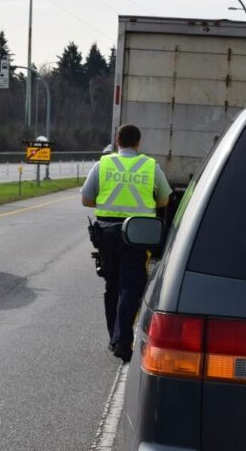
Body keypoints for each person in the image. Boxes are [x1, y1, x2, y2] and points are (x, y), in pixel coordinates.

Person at [81, 124, 171, 363]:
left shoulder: (103, 164)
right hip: (137, 234)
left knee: (112, 286)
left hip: (107, 233)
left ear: (116, 141)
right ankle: (122, 340)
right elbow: (164, 199)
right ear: (138, 143)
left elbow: (86, 199)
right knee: (130, 287)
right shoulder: (150, 166)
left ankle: (115, 338)